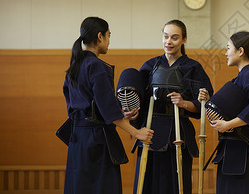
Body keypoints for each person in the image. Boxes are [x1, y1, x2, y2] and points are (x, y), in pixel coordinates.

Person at [63, 16, 153, 194]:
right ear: (99, 36)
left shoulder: (75, 64)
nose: (109, 41)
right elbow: (107, 109)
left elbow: (76, 103)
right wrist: (137, 132)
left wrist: (117, 114)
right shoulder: (95, 65)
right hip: (96, 140)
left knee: (79, 188)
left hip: (77, 139)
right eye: (108, 35)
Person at [132, 19, 213, 194]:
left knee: (177, 184)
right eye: (166, 36)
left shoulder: (193, 67)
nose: (169, 41)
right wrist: (132, 113)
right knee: (147, 182)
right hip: (151, 130)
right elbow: (138, 99)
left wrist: (184, 103)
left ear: (184, 39)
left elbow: (203, 103)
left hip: (179, 131)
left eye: (175, 38)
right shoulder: (150, 66)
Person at [198, 31, 249, 194]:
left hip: (246, 152)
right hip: (231, 149)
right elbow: (231, 108)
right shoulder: (241, 78)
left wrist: (228, 124)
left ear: (241, 51)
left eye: (228, 48)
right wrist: (209, 101)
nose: (226, 52)